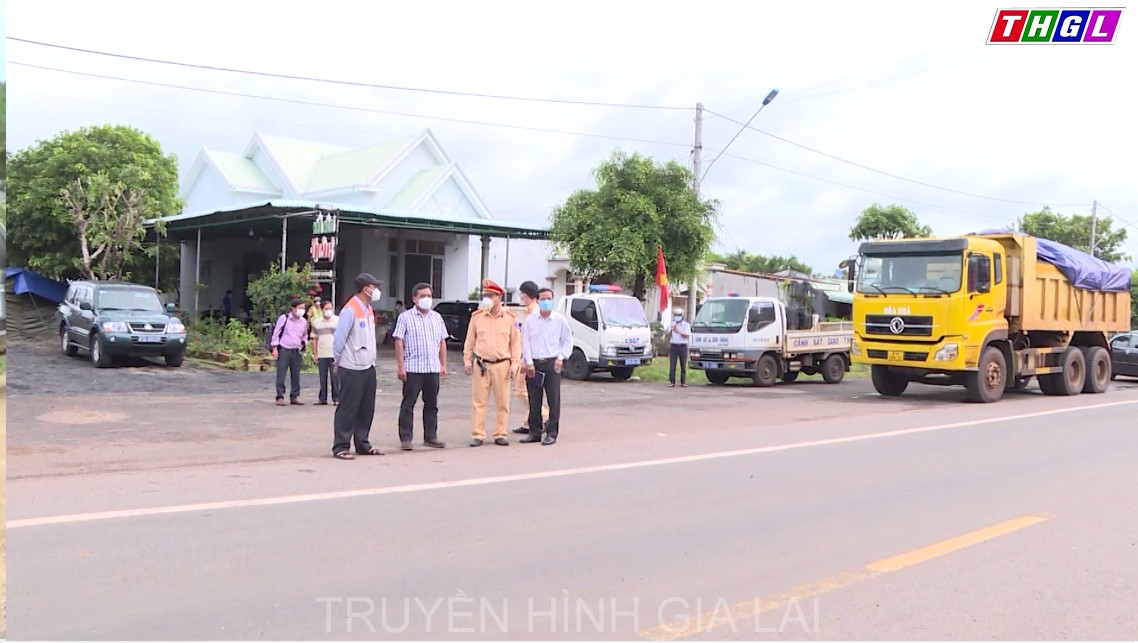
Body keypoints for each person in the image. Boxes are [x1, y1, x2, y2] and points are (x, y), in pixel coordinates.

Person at [330, 273, 385, 460]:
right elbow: (339, 339)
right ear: (365, 288)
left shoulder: (369, 309)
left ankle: (362, 443)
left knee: (366, 407)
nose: (377, 290)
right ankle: (341, 446)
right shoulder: (350, 309)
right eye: (374, 286)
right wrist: (337, 360)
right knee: (348, 407)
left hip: (368, 366)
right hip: (351, 366)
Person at [463, 278, 521, 447]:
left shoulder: (510, 318)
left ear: (499, 297)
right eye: (485, 295)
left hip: (502, 364)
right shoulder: (477, 317)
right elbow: (469, 341)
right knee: (478, 401)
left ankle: (500, 433)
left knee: (502, 402)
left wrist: (515, 364)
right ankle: (478, 434)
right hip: (481, 364)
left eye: (490, 295)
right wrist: (467, 360)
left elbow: (516, 343)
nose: (487, 298)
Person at [393, 282, 448, 451]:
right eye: (423, 296)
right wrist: (401, 366)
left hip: (432, 367)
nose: (426, 299)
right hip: (413, 368)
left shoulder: (436, 317)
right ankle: (406, 438)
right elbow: (398, 341)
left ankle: (431, 436)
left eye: (429, 296)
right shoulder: (405, 317)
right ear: (414, 298)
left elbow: (442, 342)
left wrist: (443, 364)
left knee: (431, 404)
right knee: (408, 404)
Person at [521, 288, 573, 446]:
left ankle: (552, 432)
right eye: (543, 298)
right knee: (534, 400)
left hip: (552, 364)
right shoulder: (530, 320)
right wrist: (528, 362)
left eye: (549, 298)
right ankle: (535, 432)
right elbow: (526, 342)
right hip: (534, 364)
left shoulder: (560, 320)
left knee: (553, 400)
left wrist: (561, 357)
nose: (546, 301)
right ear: (537, 300)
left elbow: (568, 340)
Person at [512, 280, 549, 435]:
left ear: (527, 295)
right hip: (527, 355)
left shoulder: (534, 312)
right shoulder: (529, 311)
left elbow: (533, 339)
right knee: (527, 389)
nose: (521, 297)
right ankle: (529, 422)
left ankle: (544, 414)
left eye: (522, 294)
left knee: (521, 390)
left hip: (529, 357)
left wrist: (526, 360)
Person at [271, 298, 310, 406]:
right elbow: (276, 333)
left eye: (304, 308)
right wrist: (274, 348)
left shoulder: (303, 321)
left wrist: (304, 343)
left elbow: (305, 335)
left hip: (296, 350)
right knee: (281, 374)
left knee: (296, 375)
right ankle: (280, 396)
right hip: (284, 349)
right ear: (293, 309)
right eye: (300, 308)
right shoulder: (284, 319)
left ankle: (295, 396)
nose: (302, 310)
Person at [310, 300, 340, 406]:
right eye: (326, 309)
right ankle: (322, 398)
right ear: (322, 309)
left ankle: (336, 398)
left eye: (330, 308)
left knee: (335, 377)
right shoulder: (316, 322)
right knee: (322, 378)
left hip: (334, 353)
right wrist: (315, 354)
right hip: (322, 353)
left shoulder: (338, 321)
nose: (328, 311)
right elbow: (314, 339)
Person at [667, 307, 691, 387]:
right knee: (672, 364)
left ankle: (683, 382)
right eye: (676, 315)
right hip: (673, 345)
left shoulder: (686, 325)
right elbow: (668, 335)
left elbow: (687, 335)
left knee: (683, 365)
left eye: (679, 315)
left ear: (682, 315)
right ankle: (671, 381)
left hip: (682, 346)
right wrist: (671, 330)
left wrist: (679, 331)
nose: (677, 316)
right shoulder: (672, 324)